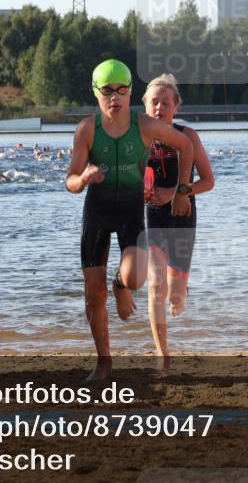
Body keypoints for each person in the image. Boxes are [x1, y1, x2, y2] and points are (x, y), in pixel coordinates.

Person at [66, 59, 194, 381]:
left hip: (130, 215)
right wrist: (83, 178)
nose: (115, 97)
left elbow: (186, 145)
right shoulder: (87, 130)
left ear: (129, 93)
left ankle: (120, 285)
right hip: (97, 214)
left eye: (122, 90)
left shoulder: (145, 127)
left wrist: (181, 191)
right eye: (107, 90)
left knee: (136, 279)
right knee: (93, 294)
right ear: (96, 94)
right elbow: (70, 180)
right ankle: (104, 362)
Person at [142, 74, 215, 370]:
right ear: (145, 105)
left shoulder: (188, 136)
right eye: (154, 102)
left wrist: (176, 193)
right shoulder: (138, 138)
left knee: (174, 294)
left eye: (166, 102)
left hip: (183, 215)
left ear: (176, 107)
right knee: (155, 286)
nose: (160, 107)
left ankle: (181, 295)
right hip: (153, 218)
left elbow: (208, 181)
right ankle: (162, 354)